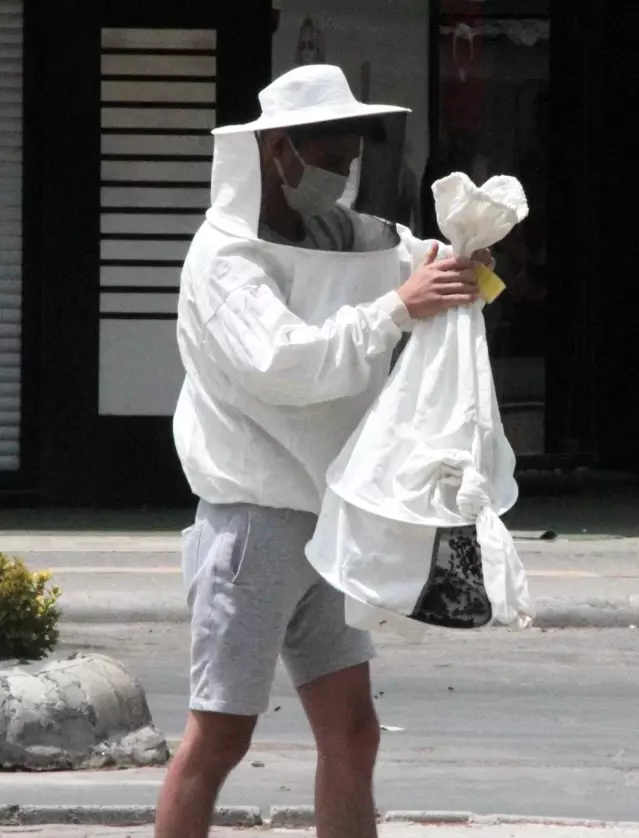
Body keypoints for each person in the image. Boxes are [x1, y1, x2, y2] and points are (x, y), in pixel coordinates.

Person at [156, 65, 491, 838]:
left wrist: (466, 253)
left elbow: (406, 256)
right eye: (330, 158)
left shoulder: (333, 232)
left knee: (352, 735)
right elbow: (285, 364)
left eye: (348, 159)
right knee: (220, 737)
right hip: (253, 524)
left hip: (329, 515)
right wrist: (394, 311)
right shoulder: (225, 258)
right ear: (278, 152)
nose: (340, 176)